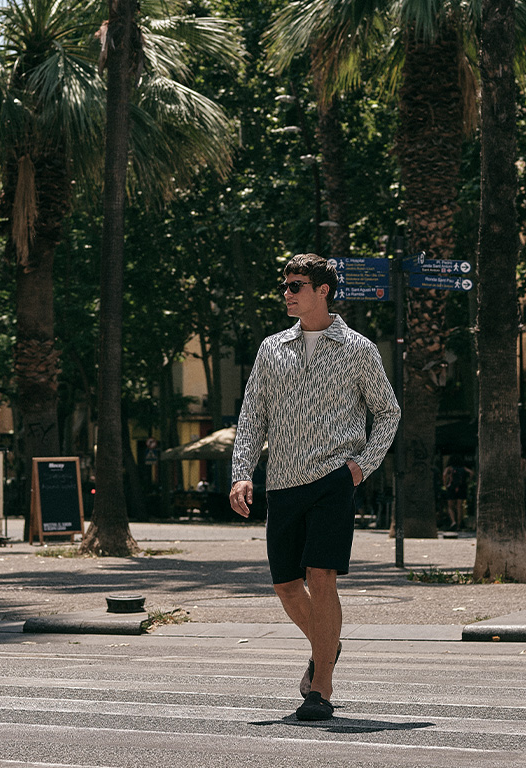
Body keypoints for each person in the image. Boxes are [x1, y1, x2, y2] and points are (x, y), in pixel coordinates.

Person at [229, 253, 400, 721]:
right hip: (282, 483)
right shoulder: (271, 349)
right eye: (285, 286)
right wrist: (242, 472)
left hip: (332, 481)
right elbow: (252, 416)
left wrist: (361, 467)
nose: (287, 293)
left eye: (296, 285)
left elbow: (388, 412)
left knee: (321, 577)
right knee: (286, 587)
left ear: (323, 290)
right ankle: (328, 643)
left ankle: (320, 687)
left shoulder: (358, 348)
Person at [442, 455, 473, 531]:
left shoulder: (449, 468)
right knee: (459, 507)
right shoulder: (463, 468)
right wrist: (468, 482)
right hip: (461, 488)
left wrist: (445, 485)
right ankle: (459, 526)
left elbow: (444, 475)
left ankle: (453, 522)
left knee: (450, 507)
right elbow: (471, 473)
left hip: (451, 488)